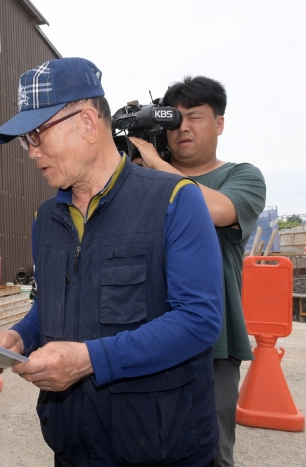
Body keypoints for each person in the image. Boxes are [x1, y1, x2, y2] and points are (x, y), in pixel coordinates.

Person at [0, 57, 224, 466]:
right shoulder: (47, 218)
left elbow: (199, 319)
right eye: (25, 141)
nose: (31, 153)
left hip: (160, 444)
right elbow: (51, 306)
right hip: (73, 443)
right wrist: (18, 339)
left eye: (37, 135)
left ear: (89, 123)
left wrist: (90, 359)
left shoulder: (175, 200)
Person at [129, 76, 266, 467]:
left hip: (215, 344)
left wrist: (155, 166)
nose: (183, 127)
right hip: (146, 334)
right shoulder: (142, 177)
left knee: (210, 450)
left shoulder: (242, 177)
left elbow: (219, 211)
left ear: (219, 123)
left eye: (195, 117)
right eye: (174, 120)